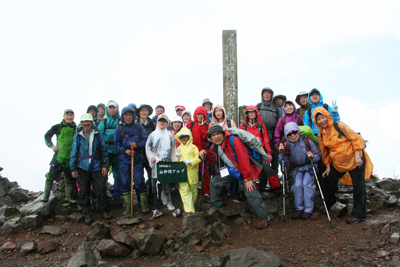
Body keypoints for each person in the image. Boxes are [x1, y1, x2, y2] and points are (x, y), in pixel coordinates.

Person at [199, 125, 269, 229]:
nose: (216, 137)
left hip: (246, 169)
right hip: (232, 170)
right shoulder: (215, 147)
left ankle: (263, 217)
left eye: (218, 134)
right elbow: (213, 161)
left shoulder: (234, 140)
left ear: (223, 134)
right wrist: (206, 154)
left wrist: (248, 179)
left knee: (250, 190)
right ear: (211, 138)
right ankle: (216, 209)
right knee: (214, 182)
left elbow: (243, 159)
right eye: (213, 135)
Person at [313, 107, 373, 224]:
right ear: (316, 122)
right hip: (339, 163)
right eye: (318, 119)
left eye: (323, 117)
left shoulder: (339, 126)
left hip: (354, 159)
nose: (322, 121)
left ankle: (359, 215)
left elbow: (356, 138)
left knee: (358, 186)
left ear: (327, 116)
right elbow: (325, 152)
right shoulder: (321, 135)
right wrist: (328, 166)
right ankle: (332, 205)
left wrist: (357, 156)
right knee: (326, 180)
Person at [70, 113, 111, 224]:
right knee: (84, 190)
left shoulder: (98, 134)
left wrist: (104, 166)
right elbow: (74, 152)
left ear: (92, 123)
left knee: (101, 188)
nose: (86, 124)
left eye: (88, 122)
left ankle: (104, 210)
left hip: (96, 165)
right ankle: (87, 212)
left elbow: (104, 151)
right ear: (82, 123)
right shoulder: (77, 136)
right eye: (84, 122)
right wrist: (73, 169)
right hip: (82, 166)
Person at [279, 122, 321, 220]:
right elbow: (283, 162)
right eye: (289, 134)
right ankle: (299, 208)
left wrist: (313, 157)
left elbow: (318, 154)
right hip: (296, 168)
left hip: (309, 167)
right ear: (286, 135)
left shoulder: (307, 141)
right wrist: (281, 153)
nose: (293, 136)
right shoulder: (286, 145)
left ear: (298, 131)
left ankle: (308, 209)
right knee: (297, 185)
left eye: (294, 132)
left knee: (306, 184)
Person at [114, 106, 149, 215]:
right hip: (124, 159)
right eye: (126, 115)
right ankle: (128, 207)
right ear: (122, 116)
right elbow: (116, 144)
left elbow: (145, 141)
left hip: (137, 158)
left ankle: (144, 205)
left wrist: (137, 145)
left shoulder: (139, 127)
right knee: (125, 182)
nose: (128, 117)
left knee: (139, 180)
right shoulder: (119, 129)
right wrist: (126, 151)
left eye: (130, 115)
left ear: (133, 116)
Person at [145, 114, 180, 218]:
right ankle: (157, 207)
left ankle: (169, 203)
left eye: (164, 121)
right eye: (160, 121)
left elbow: (173, 149)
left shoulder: (170, 135)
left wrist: (174, 162)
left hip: (167, 163)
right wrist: (152, 157)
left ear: (167, 123)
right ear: (157, 122)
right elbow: (148, 148)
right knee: (156, 185)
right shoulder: (152, 135)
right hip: (156, 164)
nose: (162, 123)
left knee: (168, 184)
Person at [239, 105, 280, 190]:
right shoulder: (243, 126)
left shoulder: (261, 126)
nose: (251, 114)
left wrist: (268, 152)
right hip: (248, 153)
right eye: (249, 112)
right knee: (251, 171)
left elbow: (266, 140)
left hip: (260, 151)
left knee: (267, 168)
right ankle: (254, 189)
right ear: (246, 114)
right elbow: (240, 141)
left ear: (256, 113)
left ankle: (276, 187)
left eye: (253, 112)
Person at [42, 109, 77, 203]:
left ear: (74, 117)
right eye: (67, 115)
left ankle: (68, 197)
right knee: (51, 175)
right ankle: (45, 196)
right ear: (63, 116)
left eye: (71, 115)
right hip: (59, 156)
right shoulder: (58, 127)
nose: (69, 117)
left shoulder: (76, 128)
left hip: (71, 157)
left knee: (70, 178)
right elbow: (47, 135)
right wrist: (51, 146)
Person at [98, 100, 121, 205]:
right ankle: (103, 197)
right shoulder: (104, 122)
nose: (112, 109)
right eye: (110, 108)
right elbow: (98, 137)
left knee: (118, 175)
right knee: (104, 174)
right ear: (107, 109)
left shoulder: (121, 121)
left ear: (117, 109)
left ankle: (117, 197)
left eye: (114, 107)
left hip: (118, 152)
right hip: (106, 152)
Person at [256, 87, 283, 174]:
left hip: (273, 135)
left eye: (269, 93)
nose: (266, 95)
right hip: (261, 136)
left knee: (274, 157)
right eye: (265, 93)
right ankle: (262, 182)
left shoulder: (276, 107)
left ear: (271, 95)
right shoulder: (258, 106)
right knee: (262, 158)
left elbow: (280, 122)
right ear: (262, 95)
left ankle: (275, 181)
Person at [175, 127, 201, 216]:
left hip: (193, 173)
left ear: (189, 136)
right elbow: (176, 164)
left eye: (185, 136)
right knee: (185, 192)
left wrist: (191, 162)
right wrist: (176, 158)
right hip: (182, 174)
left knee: (194, 192)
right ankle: (189, 210)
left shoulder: (194, 147)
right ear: (179, 138)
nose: (184, 138)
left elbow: (199, 158)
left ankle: (189, 207)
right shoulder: (178, 148)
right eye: (182, 137)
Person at [187, 106, 210, 196]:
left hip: (203, 152)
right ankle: (193, 192)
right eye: (198, 114)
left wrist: (202, 129)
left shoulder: (207, 126)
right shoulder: (190, 124)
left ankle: (206, 192)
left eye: (202, 115)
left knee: (204, 173)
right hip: (192, 152)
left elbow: (207, 139)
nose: (200, 116)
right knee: (192, 172)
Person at [136, 104, 157, 200]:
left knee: (152, 176)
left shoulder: (153, 124)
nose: (144, 112)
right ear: (139, 112)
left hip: (150, 154)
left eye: (146, 110)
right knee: (138, 176)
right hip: (138, 153)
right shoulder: (135, 123)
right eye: (142, 110)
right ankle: (141, 198)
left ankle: (152, 197)